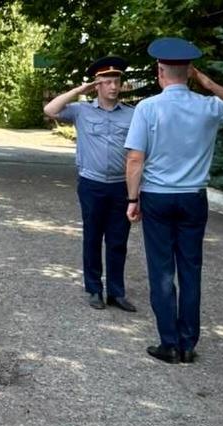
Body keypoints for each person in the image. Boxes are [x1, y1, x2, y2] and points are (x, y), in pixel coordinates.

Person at [124, 37, 223, 364]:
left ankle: (168, 343)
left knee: (162, 270)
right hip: (193, 198)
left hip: (157, 197)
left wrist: (131, 198)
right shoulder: (209, 106)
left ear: (160, 71)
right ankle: (187, 343)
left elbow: (135, 159)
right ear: (190, 73)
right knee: (190, 270)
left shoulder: (148, 108)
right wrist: (208, 83)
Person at [44, 56, 137, 312]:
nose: (113, 87)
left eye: (116, 81)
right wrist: (78, 90)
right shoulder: (81, 111)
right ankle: (95, 289)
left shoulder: (132, 114)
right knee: (93, 237)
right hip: (92, 184)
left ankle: (116, 292)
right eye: (106, 82)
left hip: (121, 185)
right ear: (97, 85)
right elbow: (50, 110)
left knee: (118, 240)